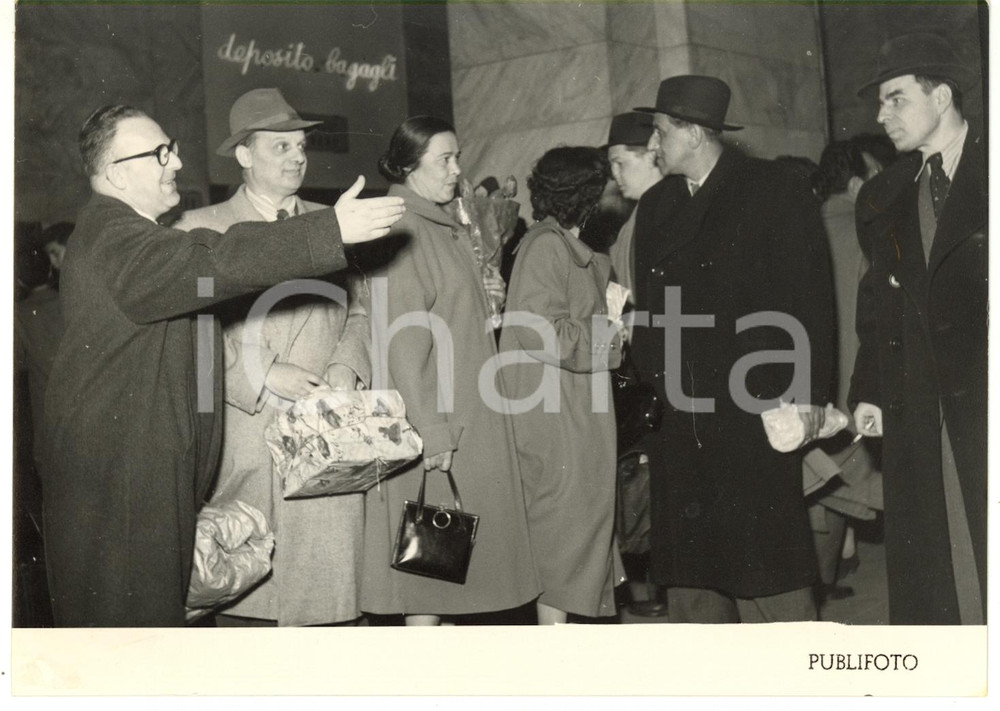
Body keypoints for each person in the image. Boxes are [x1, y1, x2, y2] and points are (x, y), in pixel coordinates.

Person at [40, 103, 404, 627]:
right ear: (118, 173)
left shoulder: (123, 234)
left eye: (172, 149)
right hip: (126, 486)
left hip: (138, 478)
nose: (176, 162)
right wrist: (328, 230)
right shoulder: (117, 239)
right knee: (136, 643)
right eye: (160, 153)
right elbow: (212, 263)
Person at [630, 75, 834, 623]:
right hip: (681, 415)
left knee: (766, 567)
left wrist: (809, 397)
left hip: (754, 404)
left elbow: (811, 300)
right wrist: (649, 406)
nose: (652, 145)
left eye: (660, 131)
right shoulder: (655, 205)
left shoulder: (774, 189)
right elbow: (648, 314)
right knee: (693, 578)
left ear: (695, 133)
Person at [174, 88, 370, 626]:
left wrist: (346, 366)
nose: (296, 156)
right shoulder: (199, 228)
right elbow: (190, 329)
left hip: (326, 442)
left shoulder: (335, 221)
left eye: (300, 145)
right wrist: (261, 373)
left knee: (331, 623)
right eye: (280, 145)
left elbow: (359, 309)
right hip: (249, 441)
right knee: (251, 614)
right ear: (244, 154)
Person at [360, 116, 539, 625]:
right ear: (408, 165)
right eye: (445, 159)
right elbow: (403, 343)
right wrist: (433, 432)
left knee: (442, 574)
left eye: (457, 157)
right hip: (441, 428)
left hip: (461, 420)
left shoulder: (437, 226)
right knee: (430, 573)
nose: (457, 170)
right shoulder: (407, 228)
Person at [850, 33, 986, 625]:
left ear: (942, 96)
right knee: (940, 563)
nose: (882, 116)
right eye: (880, 103)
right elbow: (876, 308)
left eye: (896, 99)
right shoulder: (882, 196)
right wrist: (868, 391)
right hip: (921, 407)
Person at [499, 146, 625, 624]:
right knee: (562, 543)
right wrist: (611, 336)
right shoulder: (548, 247)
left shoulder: (560, 246)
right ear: (586, 194)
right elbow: (538, 330)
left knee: (570, 538)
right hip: (556, 417)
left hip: (570, 410)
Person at [807, 137, 891, 603]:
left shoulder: (807, 221)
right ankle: (819, 585)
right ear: (858, 184)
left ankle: (819, 585)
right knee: (842, 484)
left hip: (809, 381)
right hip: (853, 380)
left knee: (821, 484)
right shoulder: (864, 229)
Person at [606, 111, 664, 299]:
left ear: (651, 156)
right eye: (611, 166)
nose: (614, 174)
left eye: (619, 163)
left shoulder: (677, 212)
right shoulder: (628, 227)